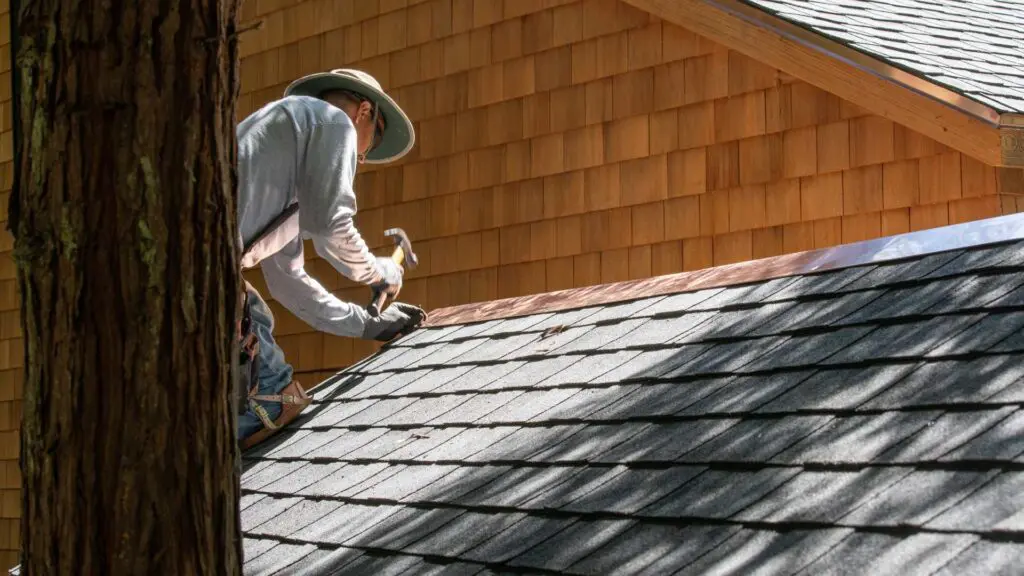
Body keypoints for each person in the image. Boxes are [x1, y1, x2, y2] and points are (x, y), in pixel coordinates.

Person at [234, 68, 427, 450]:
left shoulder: (285, 152)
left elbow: (289, 282)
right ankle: (262, 408)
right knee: (253, 321)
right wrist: (380, 273)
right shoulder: (332, 121)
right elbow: (331, 226)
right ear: (364, 112)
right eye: (370, 144)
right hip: (207, 272)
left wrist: (365, 325)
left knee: (250, 309)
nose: (362, 158)